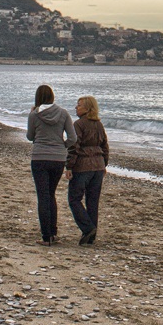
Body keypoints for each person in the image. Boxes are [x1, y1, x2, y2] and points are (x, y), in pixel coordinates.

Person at [27, 84, 77, 246]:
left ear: (38, 97)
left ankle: (46, 236)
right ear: (52, 96)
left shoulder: (34, 114)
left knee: (43, 196)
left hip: (40, 157)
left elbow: (30, 136)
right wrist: (62, 146)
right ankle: (53, 233)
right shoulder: (63, 113)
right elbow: (73, 138)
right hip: (58, 158)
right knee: (51, 194)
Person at [65, 95, 109, 246]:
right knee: (92, 201)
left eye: (79, 105)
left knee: (74, 199)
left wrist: (69, 166)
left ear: (87, 108)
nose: (76, 107)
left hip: (83, 166)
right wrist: (104, 165)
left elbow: (74, 147)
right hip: (98, 166)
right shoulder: (99, 125)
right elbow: (105, 146)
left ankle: (88, 228)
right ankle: (90, 236)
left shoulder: (79, 124)